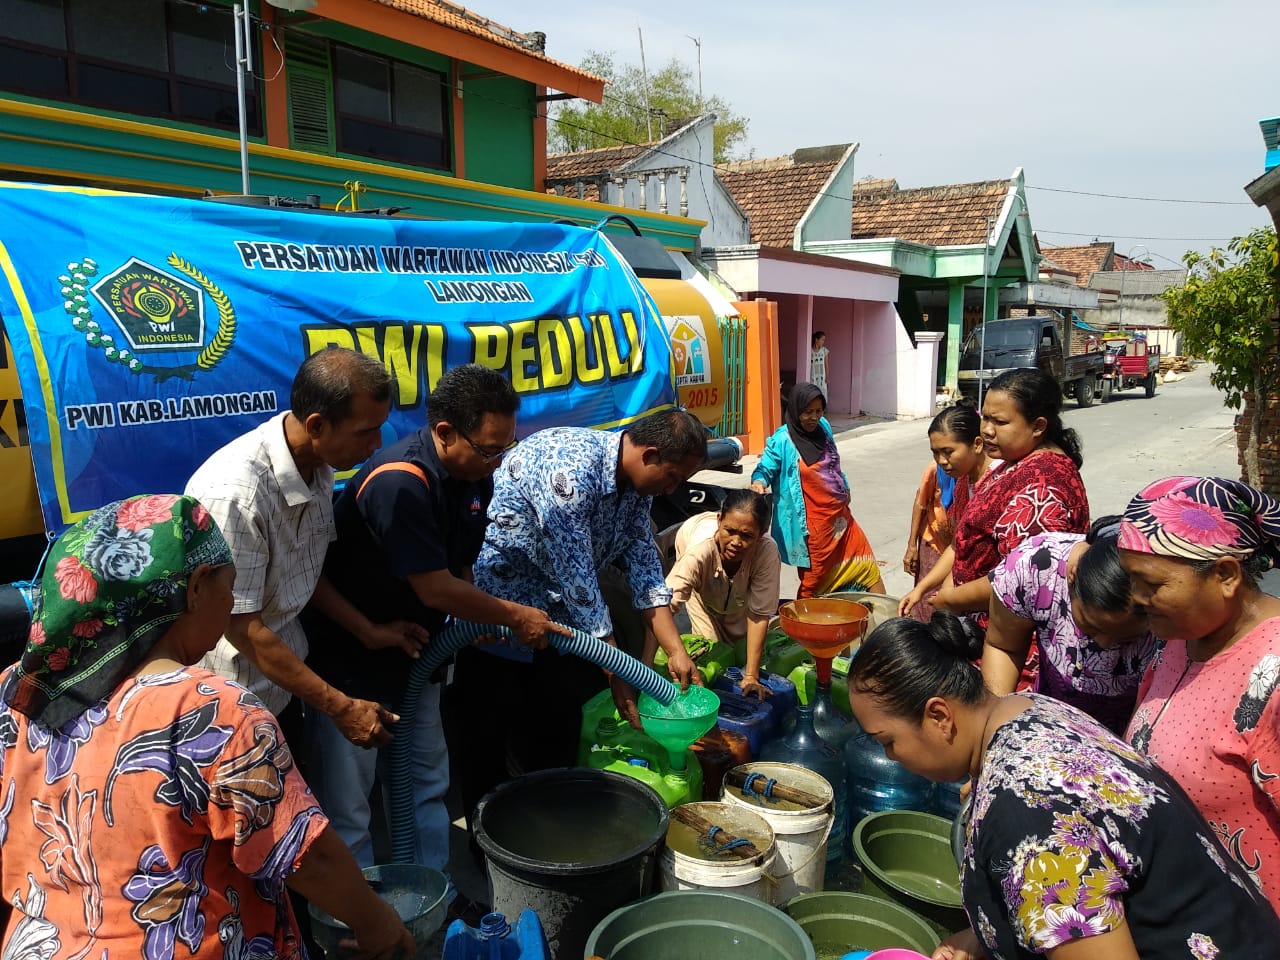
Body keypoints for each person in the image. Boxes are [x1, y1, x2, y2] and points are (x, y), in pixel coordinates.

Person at [0, 495, 414, 960]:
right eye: (229, 585)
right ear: (196, 586)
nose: (231, 602)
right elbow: (305, 856)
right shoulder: (214, 712)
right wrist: (378, 922)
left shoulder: (18, 691)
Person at [848, 613, 1280, 960]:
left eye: (889, 742)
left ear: (939, 716)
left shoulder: (1024, 813)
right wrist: (985, 932)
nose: (891, 759)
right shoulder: (1031, 710)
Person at [304, 366, 569, 890]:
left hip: (415, 652)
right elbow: (433, 587)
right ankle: (362, 922)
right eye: (490, 449)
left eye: (506, 447)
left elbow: (461, 567)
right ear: (445, 432)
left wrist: (477, 614)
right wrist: (511, 614)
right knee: (350, 804)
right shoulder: (402, 482)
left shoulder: (474, 475)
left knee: (424, 781)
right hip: (352, 659)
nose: (499, 461)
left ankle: (433, 894)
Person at [457, 409, 707, 825]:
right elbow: (579, 580)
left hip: (561, 620)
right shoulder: (571, 471)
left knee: (559, 721)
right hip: (500, 609)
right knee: (489, 732)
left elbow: (645, 568)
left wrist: (676, 651)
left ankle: (552, 828)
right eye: (674, 477)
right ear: (650, 454)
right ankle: (488, 842)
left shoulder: (637, 488)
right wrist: (617, 671)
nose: (673, 489)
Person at [186, 348, 424, 752]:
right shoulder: (236, 495)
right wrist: (341, 707)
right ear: (317, 424)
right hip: (228, 704)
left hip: (281, 690)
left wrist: (368, 631)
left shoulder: (319, 464)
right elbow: (243, 627)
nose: (377, 444)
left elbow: (304, 571)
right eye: (366, 431)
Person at [1119, 475, 1280, 909]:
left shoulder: (1273, 676)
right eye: (1131, 580)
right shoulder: (1176, 641)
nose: (1135, 599)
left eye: (1151, 584)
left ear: (1226, 575)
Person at [898, 368, 1089, 625]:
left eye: (999, 422)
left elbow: (1021, 578)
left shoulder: (1043, 486)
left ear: (1038, 426)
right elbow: (963, 542)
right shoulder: (1011, 465)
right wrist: (923, 588)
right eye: (985, 418)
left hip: (1014, 639)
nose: (986, 430)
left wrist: (951, 599)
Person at [984, 518, 1159, 736]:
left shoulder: (1170, 613)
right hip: (1049, 722)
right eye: (1091, 627)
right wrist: (996, 728)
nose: (1104, 645)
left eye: (1126, 639)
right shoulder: (1036, 566)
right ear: (1073, 576)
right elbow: (1004, 647)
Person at [751, 383, 884, 599]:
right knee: (813, 585)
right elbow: (766, 467)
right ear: (795, 410)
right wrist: (759, 482)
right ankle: (807, 628)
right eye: (807, 412)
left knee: (866, 567)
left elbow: (834, 465)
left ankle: (882, 622)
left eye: (818, 411)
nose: (814, 417)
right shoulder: (783, 440)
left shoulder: (823, 427)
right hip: (813, 532)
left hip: (842, 521)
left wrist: (844, 486)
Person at [661, 489, 781, 697]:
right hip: (692, 537)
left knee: (741, 645)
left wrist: (751, 676)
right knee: (713, 648)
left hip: (739, 595)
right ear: (719, 521)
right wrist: (671, 655)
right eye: (730, 531)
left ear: (761, 535)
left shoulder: (766, 551)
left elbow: (759, 613)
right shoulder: (699, 552)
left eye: (746, 536)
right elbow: (662, 607)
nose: (736, 542)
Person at [903, 400, 992, 622]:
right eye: (935, 453)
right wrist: (920, 589)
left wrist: (952, 596)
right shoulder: (964, 482)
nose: (941, 461)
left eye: (949, 452)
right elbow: (958, 545)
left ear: (978, 444)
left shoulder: (997, 485)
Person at [810, 330, 829, 396]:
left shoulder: (824, 351)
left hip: (822, 378)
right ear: (816, 340)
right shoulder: (810, 351)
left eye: (824, 340)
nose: (823, 342)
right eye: (822, 340)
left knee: (822, 394)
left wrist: (827, 377)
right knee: (813, 394)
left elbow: (826, 365)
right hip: (812, 377)